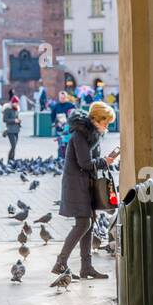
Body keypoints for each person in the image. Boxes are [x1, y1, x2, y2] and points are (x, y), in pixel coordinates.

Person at [52, 100, 118, 280]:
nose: (107, 126)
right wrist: (105, 161)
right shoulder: (81, 135)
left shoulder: (90, 134)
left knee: (88, 225)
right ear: (97, 119)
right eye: (106, 123)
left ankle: (86, 267)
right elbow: (85, 163)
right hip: (76, 186)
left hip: (83, 185)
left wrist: (104, 160)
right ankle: (61, 262)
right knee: (84, 224)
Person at [2, 98, 21, 163]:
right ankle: (9, 160)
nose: (17, 104)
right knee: (13, 145)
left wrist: (19, 121)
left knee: (14, 146)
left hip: (16, 130)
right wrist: (14, 120)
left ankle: (12, 159)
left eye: (17, 103)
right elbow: (4, 119)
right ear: (12, 103)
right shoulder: (8, 110)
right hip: (10, 130)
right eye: (16, 103)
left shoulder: (16, 109)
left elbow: (16, 118)